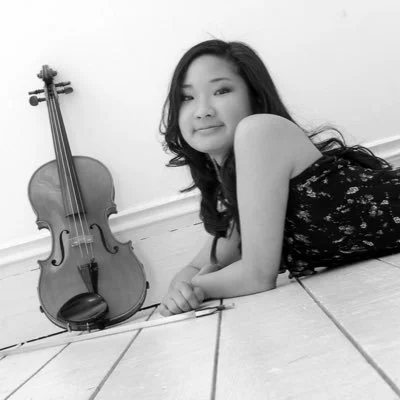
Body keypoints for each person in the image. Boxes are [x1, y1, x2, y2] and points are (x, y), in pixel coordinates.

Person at [158, 39, 398, 316]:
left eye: (221, 91)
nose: (202, 111)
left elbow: (257, 275)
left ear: (255, 98)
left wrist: (197, 287)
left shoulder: (259, 131)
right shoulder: (241, 187)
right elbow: (196, 266)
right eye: (186, 97)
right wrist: (182, 288)